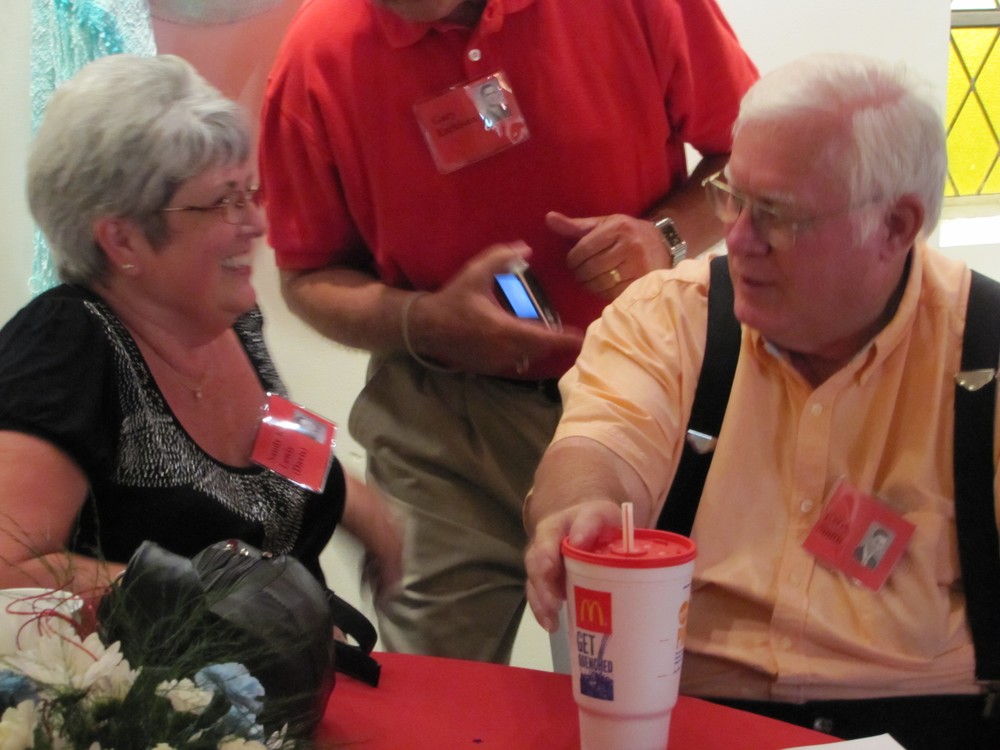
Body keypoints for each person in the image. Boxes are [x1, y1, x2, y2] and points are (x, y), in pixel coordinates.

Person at [258, 0, 757, 664]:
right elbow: (307, 273)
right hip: (443, 423)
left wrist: (665, 237)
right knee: (433, 688)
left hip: (642, 402)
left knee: (639, 674)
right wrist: (423, 321)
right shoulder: (315, 58)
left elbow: (750, 155)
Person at [524, 54, 1000, 749]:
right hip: (695, 713)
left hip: (925, 718)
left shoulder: (982, 348)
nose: (738, 238)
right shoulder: (673, 316)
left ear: (897, 225)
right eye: (732, 197)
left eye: (776, 214)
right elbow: (597, 443)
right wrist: (578, 506)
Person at [0, 54, 399, 604]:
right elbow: (8, 566)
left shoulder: (225, 319)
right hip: (161, 662)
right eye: (223, 201)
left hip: (298, 653)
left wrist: (356, 504)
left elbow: (275, 444)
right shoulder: (67, 346)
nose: (256, 222)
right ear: (122, 239)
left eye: (249, 193)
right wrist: (214, 599)